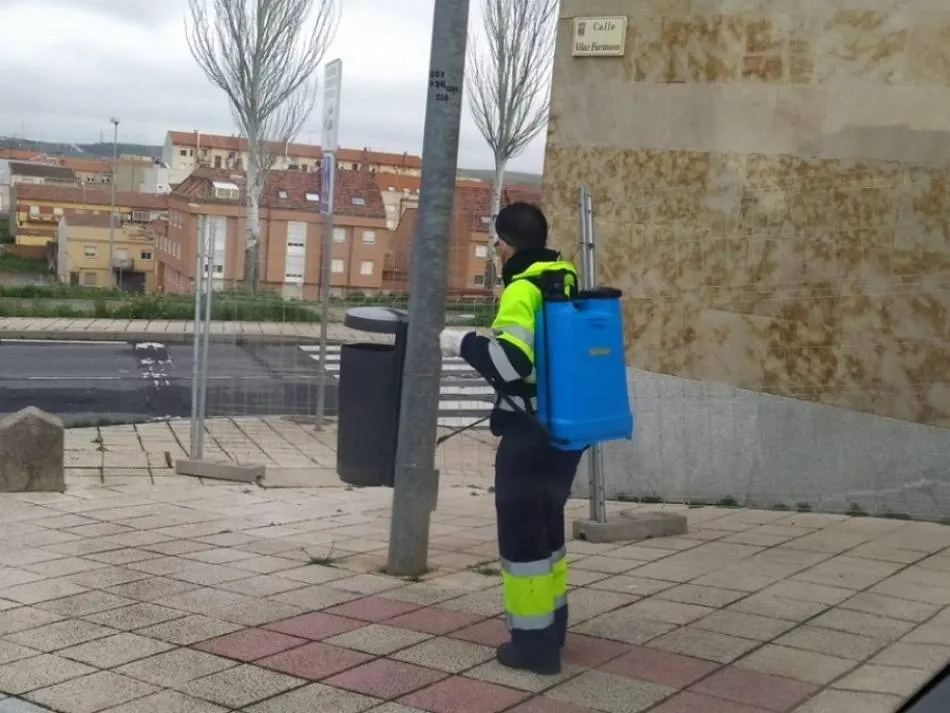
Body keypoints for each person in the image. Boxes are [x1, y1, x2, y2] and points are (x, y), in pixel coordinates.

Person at [439, 202, 585, 675]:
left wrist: (461, 342)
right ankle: (553, 629)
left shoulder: (522, 288)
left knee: (523, 542)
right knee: (548, 531)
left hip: (529, 434)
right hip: (564, 429)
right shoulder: (563, 278)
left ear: (503, 244)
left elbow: (511, 365)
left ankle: (533, 647)